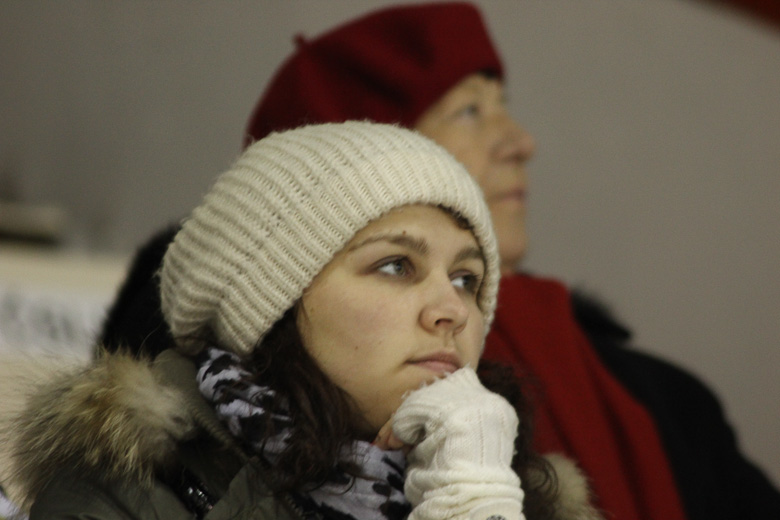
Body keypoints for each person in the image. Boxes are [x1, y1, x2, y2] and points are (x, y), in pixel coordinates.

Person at [0, 122, 605, 520]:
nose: (450, 310)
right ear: (273, 303)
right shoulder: (126, 487)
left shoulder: (514, 494)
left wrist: (475, 493)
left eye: (467, 278)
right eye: (396, 266)